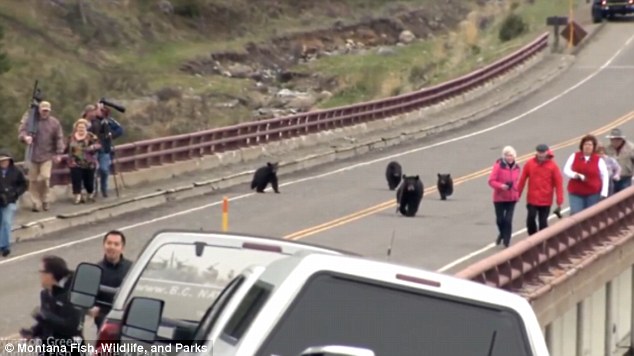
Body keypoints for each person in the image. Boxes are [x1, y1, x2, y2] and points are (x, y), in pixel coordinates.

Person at [19, 255, 84, 355]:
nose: (39, 275)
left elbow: (72, 326)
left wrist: (45, 316)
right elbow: (47, 323)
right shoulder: (45, 294)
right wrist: (33, 331)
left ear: (50, 274)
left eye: (41, 272)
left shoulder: (72, 295)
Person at [18, 101, 65, 212]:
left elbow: (59, 137)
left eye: (47, 111)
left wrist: (59, 153)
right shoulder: (31, 121)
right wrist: (25, 138)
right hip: (32, 155)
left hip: (47, 155)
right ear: (39, 110)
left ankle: (45, 199)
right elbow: (21, 131)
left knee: (45, 177)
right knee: (32, 181)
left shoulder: (54, 123)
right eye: (43, 110)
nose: (45, 112)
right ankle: (36, 203)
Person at [88, 230, 132, 330]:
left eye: (116, 244)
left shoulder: (132, 269)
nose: (112, 247)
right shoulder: (96, 270)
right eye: (109, 243)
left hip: (125, 321)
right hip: (104, 323)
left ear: (122, 248)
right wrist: (91, 309)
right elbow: (89, 298)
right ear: (104, 245)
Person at [517, 144, 564, 235]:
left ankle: (542, 241)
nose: (541, 155)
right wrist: (517, 194)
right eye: (539, 152)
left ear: (547, 152)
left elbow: (559, 184)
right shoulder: (530, 164)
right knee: (530, 219)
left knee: (543, 223)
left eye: (543, 153)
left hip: (545, 200)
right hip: (532, 199)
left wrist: (559, 201)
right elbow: (522, 180)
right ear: (536, 152)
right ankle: (533, 238)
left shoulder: (553, 166)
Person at [563, 134, 609, 215]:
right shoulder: (574, 156)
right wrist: (574, 175)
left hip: (592, 193)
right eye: (585, 144)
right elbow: (566, 169)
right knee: (576, 214)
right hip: (576, 192)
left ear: (593, 147)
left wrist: (604, 193)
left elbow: (605, 176)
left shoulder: (598, 160)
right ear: (582, 146)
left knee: (591, 215)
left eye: (590, 145)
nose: (587, 147)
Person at [86, 103, 124, 198]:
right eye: (98, 110)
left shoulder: (107, 121)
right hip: (93, 149)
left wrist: (110, 136)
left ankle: (104, 188)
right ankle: (93, 191)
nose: (100, 111)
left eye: (101, 110)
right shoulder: (90, 121)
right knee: (93, 170)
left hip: (105, 148)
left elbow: (120, 130)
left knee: (104, 169)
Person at [487, 146, 521, 247]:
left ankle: (507, 240)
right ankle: (502, 234)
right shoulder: (498, 166)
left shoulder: (517, 167)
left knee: (508, 220)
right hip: (500, 197)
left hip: (511, 197)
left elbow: (516, 182)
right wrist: (501, 186)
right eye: (507, 155)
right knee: (500, 220)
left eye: (511, 155)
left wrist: (515, 190)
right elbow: (491, 181)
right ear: (504, 156)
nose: (509, 157)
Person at [65, 119, 101, 204]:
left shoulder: (90, 136)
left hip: (88, 163)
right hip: (74, 162)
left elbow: (99, 144)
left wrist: (93, 147)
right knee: (76, 180)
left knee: (89, 181)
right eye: (79, 127)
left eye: (83, 127)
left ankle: (90, 193)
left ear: (86, 128)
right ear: (76, 128)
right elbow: (66, 147)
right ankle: (77, 196)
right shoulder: (71, 137)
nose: (81, 129)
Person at [0, 150, 27, 257]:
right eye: (1, 161)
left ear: (9, 160)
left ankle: (5, 246)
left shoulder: (16, 171)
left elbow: (24, 185)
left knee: (6, 222)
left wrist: (15, 193)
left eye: (5, 160)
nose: (3, 163)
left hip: (10, 200)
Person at [605, 128, 634, 194]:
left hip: (626, 177)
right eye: (612, 139)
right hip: (612, 179)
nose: (614, 141)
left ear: (621, 139)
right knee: (612, 198)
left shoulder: (631, 148)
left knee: (624, 197)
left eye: (617, 139)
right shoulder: (607, 149)